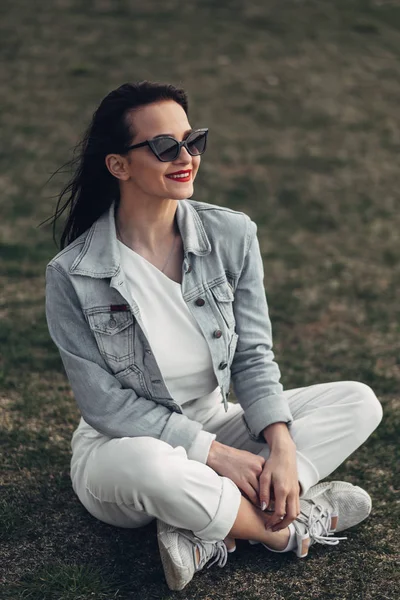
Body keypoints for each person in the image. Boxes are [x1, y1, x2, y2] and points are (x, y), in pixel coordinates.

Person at [45, 80, 383, 591]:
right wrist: (216, 455)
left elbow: (251, 354)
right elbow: (105, 406)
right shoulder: (74, 273)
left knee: (358, 402)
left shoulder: (231, 235)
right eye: (163, 147)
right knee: (150, 466)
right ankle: (286, 531)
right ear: (119, 165)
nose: (185, 157)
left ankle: (204, 525)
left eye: (192, 140)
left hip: (214, 417)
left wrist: (281, 443)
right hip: (123, 447)